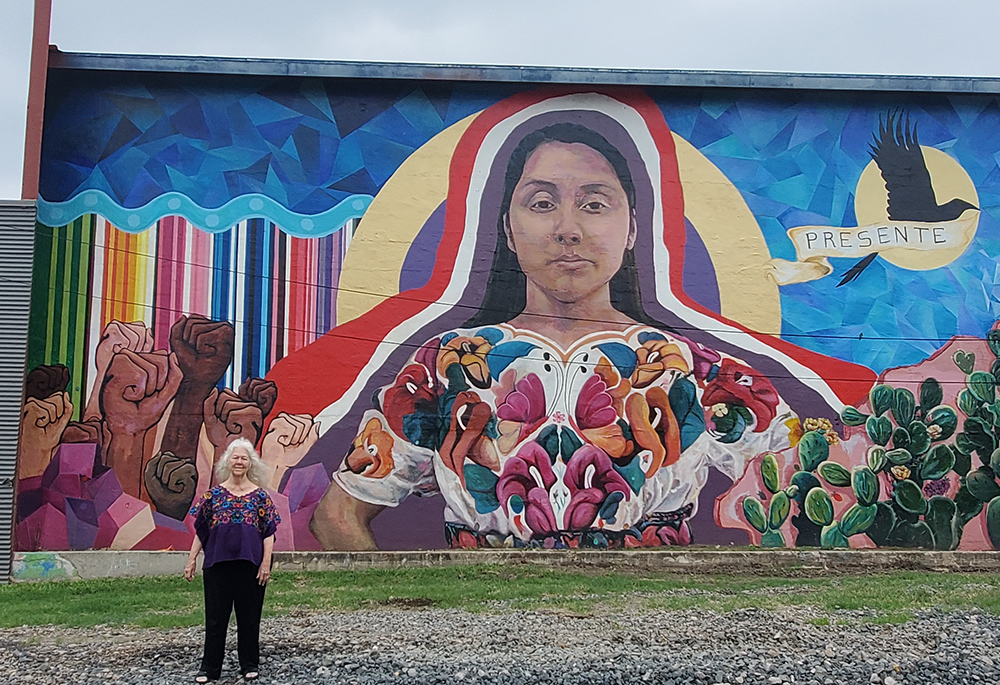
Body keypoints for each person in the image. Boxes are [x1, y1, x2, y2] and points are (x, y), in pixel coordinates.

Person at [262, 90, 871, 550]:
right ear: (507, 227)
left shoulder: (692, 368)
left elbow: (813, 477)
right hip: (480, 626)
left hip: (655, 628)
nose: (568, 228)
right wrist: (403, 615)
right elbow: (338, 513)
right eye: (542, 202)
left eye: (594, 203)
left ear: (633, 228)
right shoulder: (445, 367)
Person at [184, 438, 280, 682]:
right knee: (215, 618)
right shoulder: (212, 496)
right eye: (235, 457)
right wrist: (192, 559)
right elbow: (201, 530)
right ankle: (209, 668)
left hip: (251, 565)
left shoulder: (260, 497)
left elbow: (268, 533)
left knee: (249, 617)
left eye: (244, 458)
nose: (239, 462)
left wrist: (266, 563)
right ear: (227, 461)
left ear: (251, 464)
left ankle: (249, 664)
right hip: (217, 565)